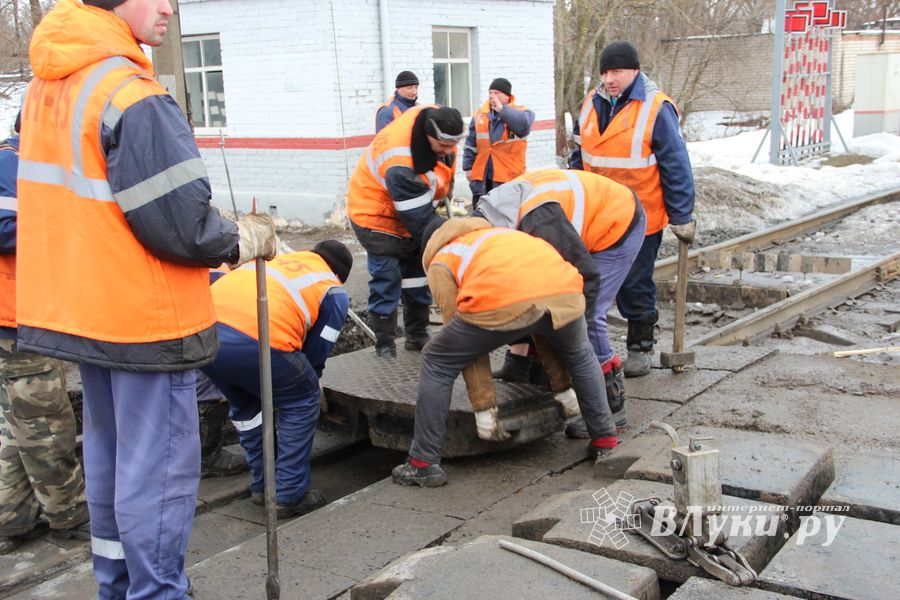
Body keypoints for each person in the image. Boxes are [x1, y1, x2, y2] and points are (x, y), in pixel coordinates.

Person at [16, 0, 277, 597]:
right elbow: (181, 224)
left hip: (84, 309)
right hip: (144, 315)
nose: (169, 7)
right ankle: (158, 593)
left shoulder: (50, 83)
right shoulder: (129, 90)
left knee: (111, 462)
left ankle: (118, 586)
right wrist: (239, 239)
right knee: (157, 472)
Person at [391, 217, 618, 487]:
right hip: (566, 290)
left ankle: (422, 463)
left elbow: (462, 341)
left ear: (431, 244)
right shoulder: (500, 236)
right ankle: (605, 440)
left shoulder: (443, 257)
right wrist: (562, 387)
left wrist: (484, 407)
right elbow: (539, 314)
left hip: (502, 300)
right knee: (581, 354)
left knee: (437, 360)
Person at [475, 169, 646, 435]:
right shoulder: (493, 212)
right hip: (588, 213)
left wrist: (577, 339)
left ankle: (612, 408)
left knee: (589, 319)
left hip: (618, 223)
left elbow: (586, 276)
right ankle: (525, 366)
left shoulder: (540, 222)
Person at [569, 40, 696, 377]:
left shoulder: (656, 107)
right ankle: (589, 347)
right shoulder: (591, 104)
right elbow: (578, 155)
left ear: (635, 71)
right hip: (597, 215)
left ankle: (641, 346)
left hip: (640, 218)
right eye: (606, 72)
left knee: (634, 284)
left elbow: (676, 164)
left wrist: (682, 216)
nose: (610, 79)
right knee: (591, 281)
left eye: (618, 71)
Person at [203, 243, 352, 519]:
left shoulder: (279, 262)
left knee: (248, 407)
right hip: (254, 339)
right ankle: (289, 493)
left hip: (204, 335)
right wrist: (306, 382)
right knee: (302, 398)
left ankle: (263, 485)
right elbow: (317, 353)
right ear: (340, 274)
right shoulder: (333, 288)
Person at [0, 113, 91, 555]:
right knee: (46, 425)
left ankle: (12, 519)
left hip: (15, 318)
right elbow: (5, 228)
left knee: (12, 426)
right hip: (18, 320)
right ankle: (69, 516)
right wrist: (68, 221)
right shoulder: (15, 163)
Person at [347, 104, 464, 358]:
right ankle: (385, 345)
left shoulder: (434, 119)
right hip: (376, 218)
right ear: (428, 135)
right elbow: (421, 221)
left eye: (453, 143)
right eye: (444, 145)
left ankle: (417, 334)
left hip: (408, 211)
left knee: (416, 276)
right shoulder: (400, 163)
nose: (449, 150)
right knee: (387, 280)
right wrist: (458, 235)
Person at [463, 78, 534, 209]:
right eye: (490, 92)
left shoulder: (523, 112)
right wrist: (468, 168)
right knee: (481, 218)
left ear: (507, 96)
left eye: (496, 93)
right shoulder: (480, 115)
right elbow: (470, 144)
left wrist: (502, 110)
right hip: (482, 178)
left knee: (505, 219)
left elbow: (523, 126)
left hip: (508, 178)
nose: (492, 96)